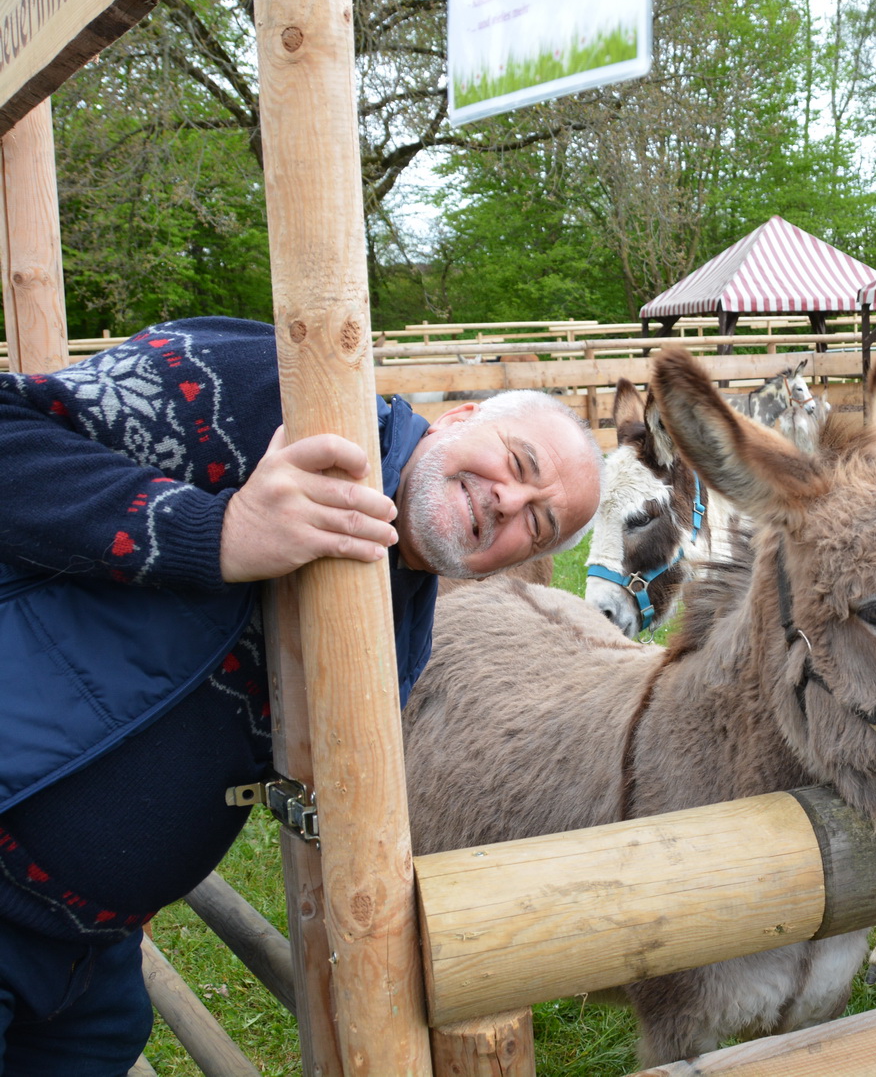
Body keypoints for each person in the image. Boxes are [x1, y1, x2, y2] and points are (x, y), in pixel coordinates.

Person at [0, 316, 602, 1075]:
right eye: (518, 461)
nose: (509, 502)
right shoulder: (259, 389)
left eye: (538, 523)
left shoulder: (402, 614)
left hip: (88, 953)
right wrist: (213, 533)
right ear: (460, 416)